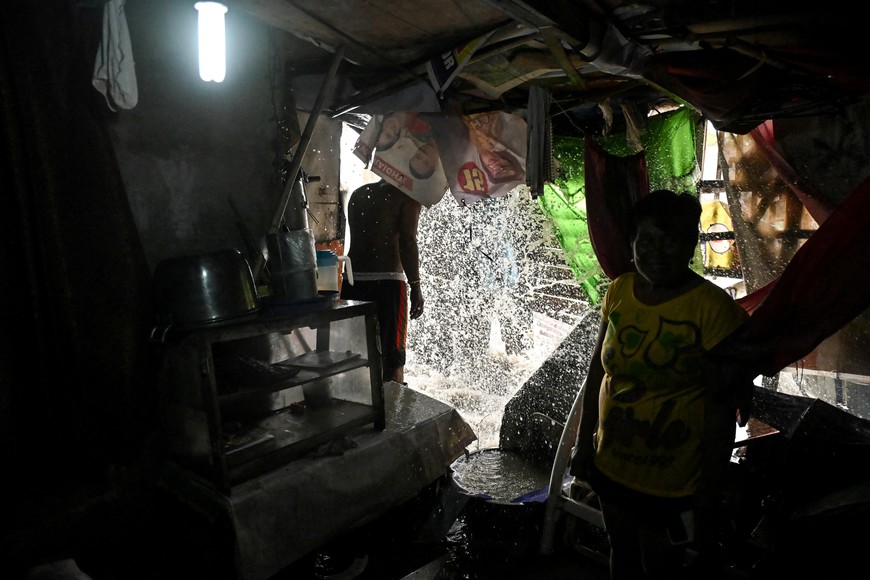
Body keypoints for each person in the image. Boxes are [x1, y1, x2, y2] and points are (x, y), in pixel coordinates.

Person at [571, 189, 751, 579]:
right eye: (647, 240)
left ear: (690, 245)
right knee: (622, 554)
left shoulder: (713, 309)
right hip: (611, 464)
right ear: (632, 243)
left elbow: (720, 409)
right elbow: (598, 373)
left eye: (672, 240)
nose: (658, 251)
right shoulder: (619, 290)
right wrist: (584, 444)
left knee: (661, 569)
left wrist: (708, 493)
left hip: (673, 481)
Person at [340, 179, 424, 384]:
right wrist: (415, 285)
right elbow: (407, 242)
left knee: (354, 351)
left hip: (353, 280)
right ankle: (393, 401)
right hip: (388, 283)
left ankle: (357, 398)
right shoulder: (407, 197)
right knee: (393, 355)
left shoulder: (359, 193)